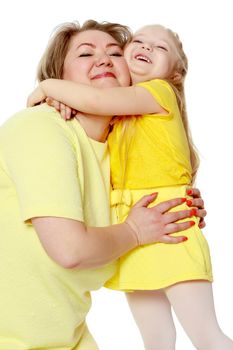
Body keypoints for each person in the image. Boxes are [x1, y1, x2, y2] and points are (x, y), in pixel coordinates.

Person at [0, 20, 207, 350]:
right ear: (60, 78)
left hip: (70, 340)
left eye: (115, 53)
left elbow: (140, 208)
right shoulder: (40, 127)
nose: (104, 59)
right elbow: (70, 250)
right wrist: (136, 230)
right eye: (85, 53)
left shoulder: (120, 157)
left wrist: (176, 205)